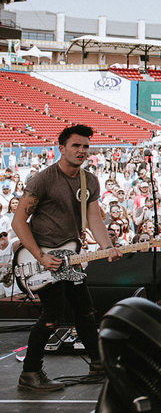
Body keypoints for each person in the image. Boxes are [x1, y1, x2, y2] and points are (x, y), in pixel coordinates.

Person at [12, 125, 121, 391]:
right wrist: (40, 256)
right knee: (52, 316)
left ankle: (97, 364)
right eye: (76, 146)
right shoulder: (43, 179)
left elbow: (94, 219)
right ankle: (30, 373)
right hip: (41, 259)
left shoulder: (90, 180)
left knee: (85, 312)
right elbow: (18, 222)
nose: (82, 151)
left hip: (69, 259)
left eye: (86, 146)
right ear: (61, 148)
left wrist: (107, 246)